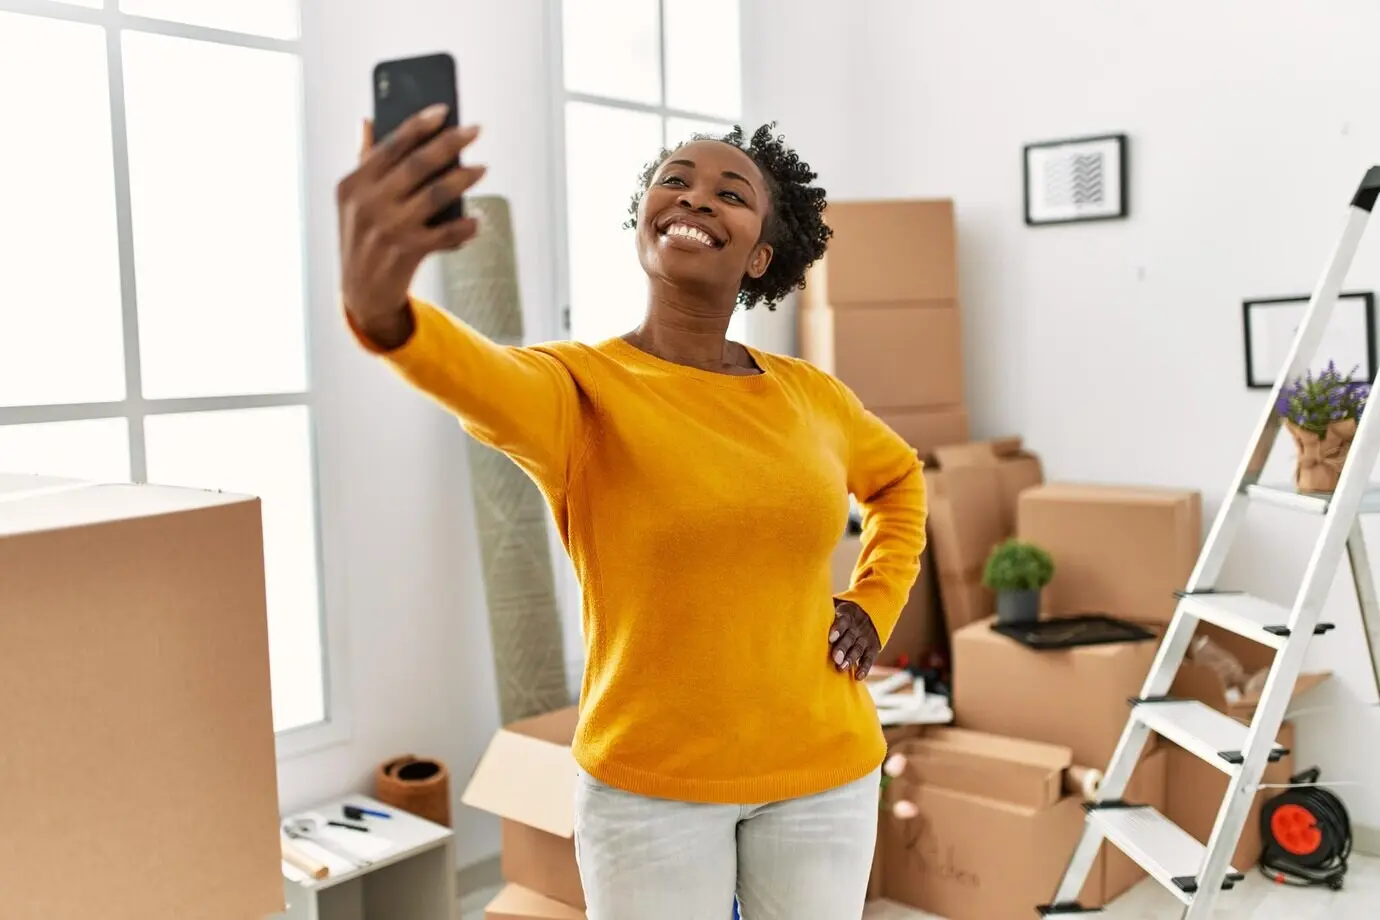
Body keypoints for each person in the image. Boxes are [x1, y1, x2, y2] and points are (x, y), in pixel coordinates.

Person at [336, 105, 928, 920]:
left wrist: (876, 598)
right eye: (673, 182)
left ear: (759, 256)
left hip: (826, 776)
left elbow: (900, 480)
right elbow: (476, 376)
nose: (692, 199)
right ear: (643, 221)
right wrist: (384, 312)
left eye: (729, 192)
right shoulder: (577, 390)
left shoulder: (812, 397)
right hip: (650, 793)